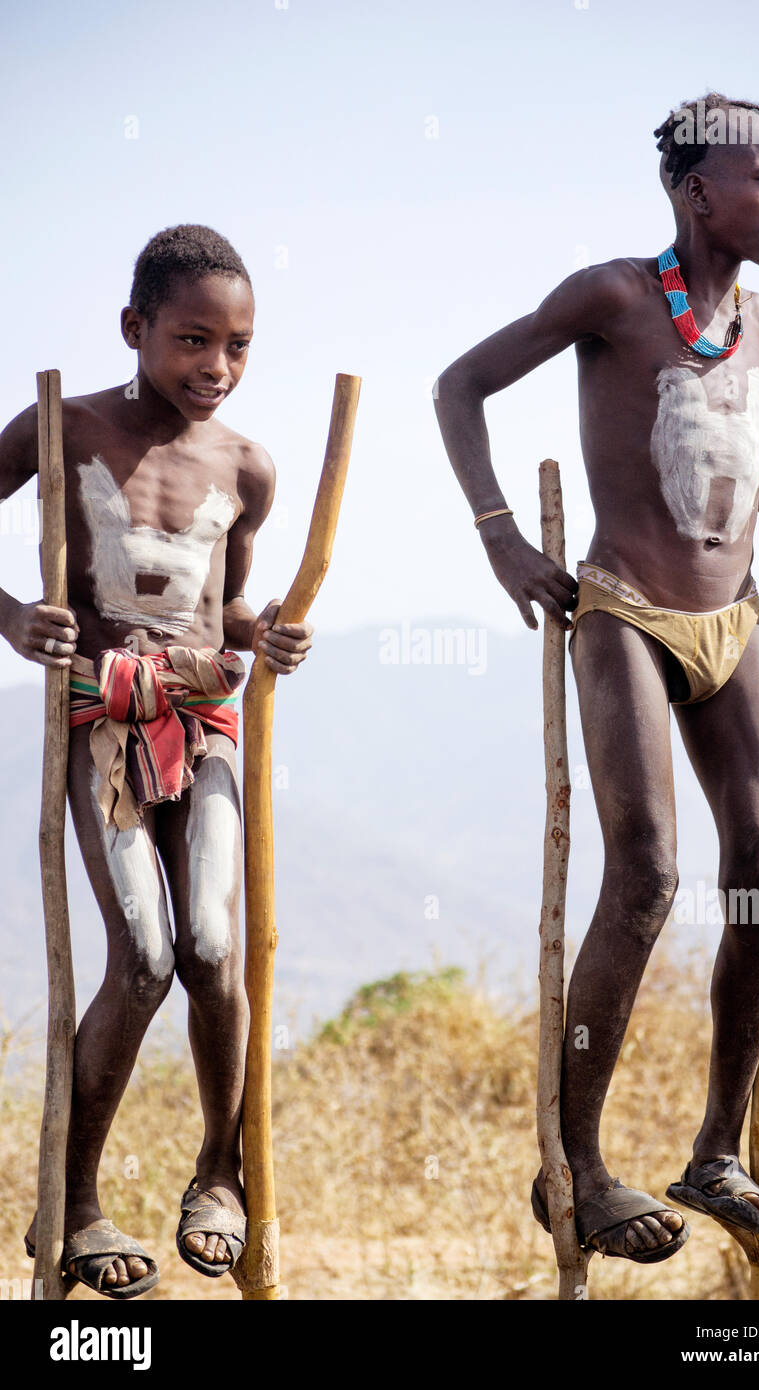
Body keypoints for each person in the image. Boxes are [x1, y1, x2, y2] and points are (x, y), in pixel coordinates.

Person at [433, 95, 759, 1263]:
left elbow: (736, 435)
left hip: (733, 620)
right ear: (695, 193)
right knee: (646, 871)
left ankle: (712, 1150)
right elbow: (459, 384)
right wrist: (500, 533)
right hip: (623, 610)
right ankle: (576, 1167)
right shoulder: (608, 295)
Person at [0, 225, 312, 1297]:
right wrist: (11, 615)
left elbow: (222, 603)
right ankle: (74, 1205)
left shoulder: (248, 466)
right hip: (102, 720)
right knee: (140, 953)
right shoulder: (61, 427)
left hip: (207, 720)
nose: (214, 368)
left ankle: (216, 1173)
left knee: (215, 948)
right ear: (134, 329)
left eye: (236, 347)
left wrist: (261, 633)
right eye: (190, 340)